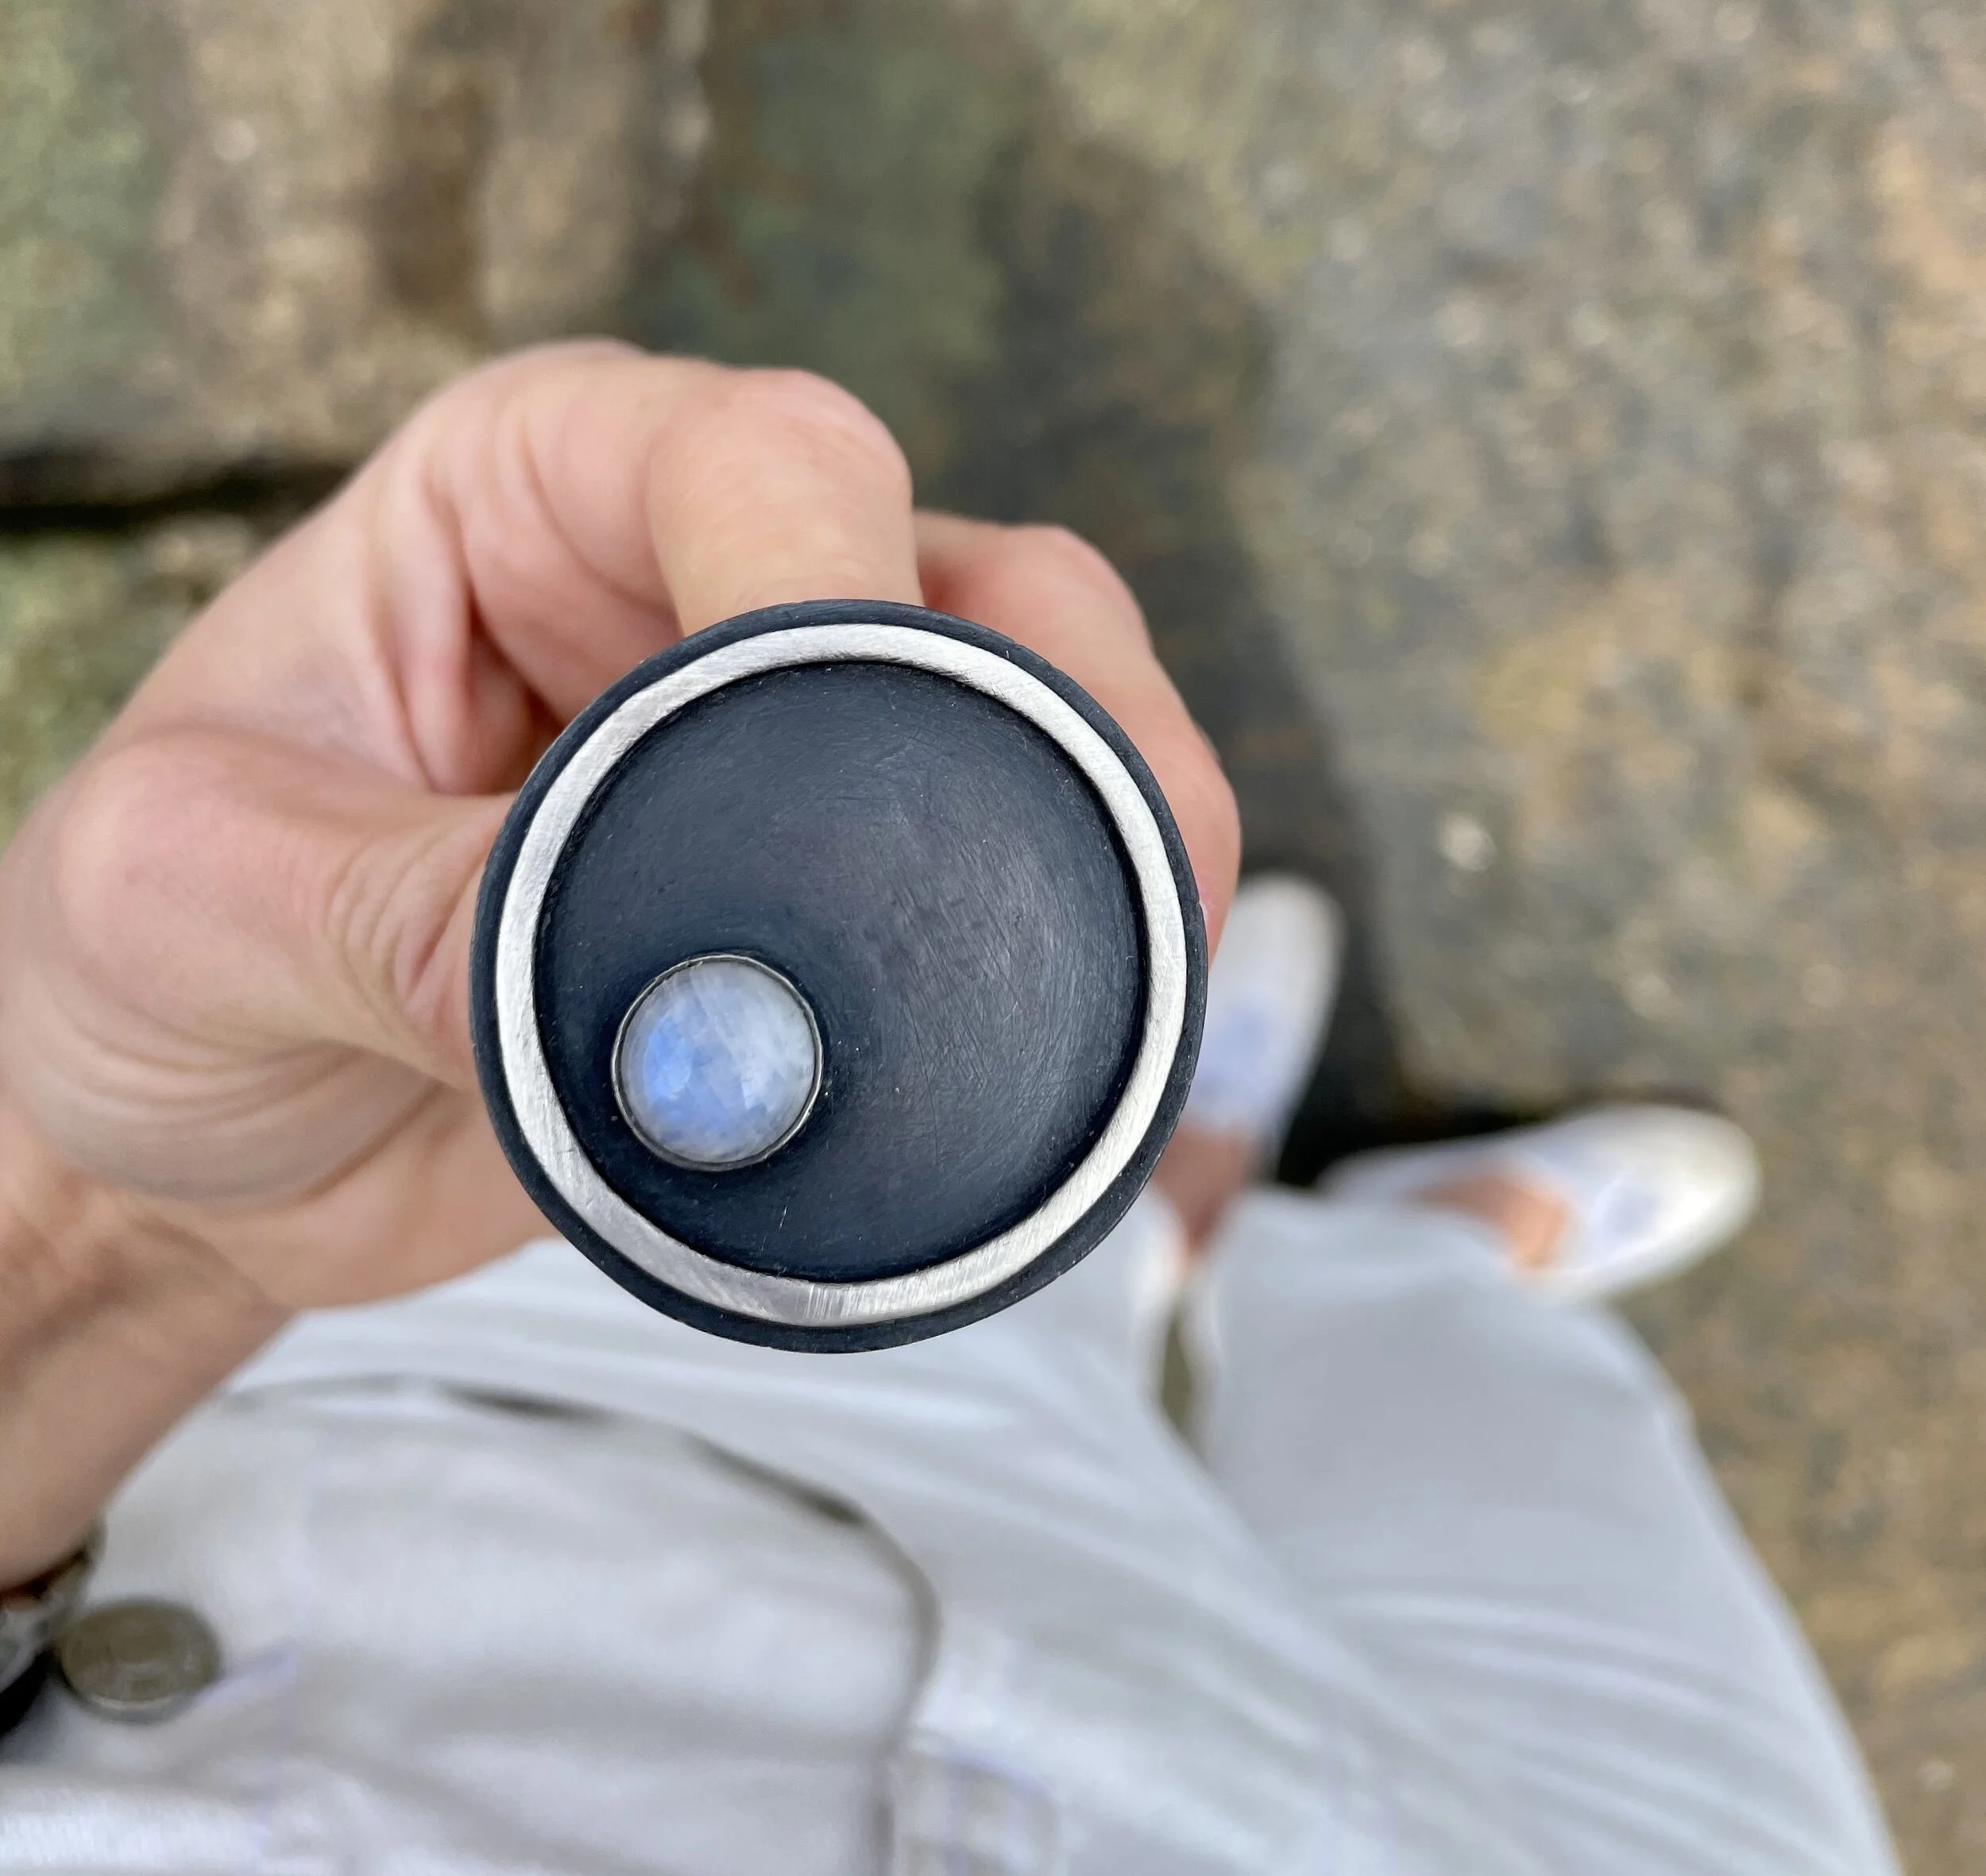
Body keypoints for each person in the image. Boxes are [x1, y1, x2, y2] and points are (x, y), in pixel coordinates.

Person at [0, 347, 1899, 1874]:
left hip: (460, 1358)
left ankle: (1168, 1189)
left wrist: (118, 1240)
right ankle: (1396, 1264)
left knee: (997, 1125)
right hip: (1350, 1821)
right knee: (1516, 1423)